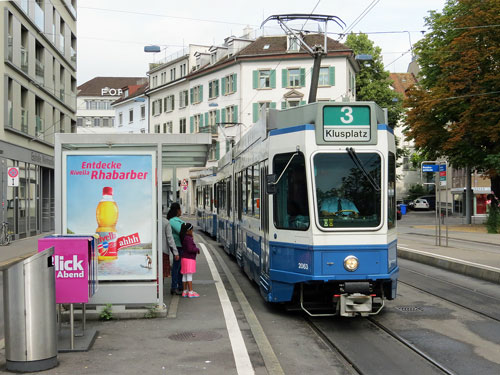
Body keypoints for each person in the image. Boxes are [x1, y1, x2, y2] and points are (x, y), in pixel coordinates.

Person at [167, 202, 185, 295]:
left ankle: (180, 285)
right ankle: (174, 287)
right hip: (177, 246)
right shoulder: (173, 221)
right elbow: (181, 230)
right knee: (176, 267)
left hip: (180, 246)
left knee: (179, 266)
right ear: (177, 210)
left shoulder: (175, 220)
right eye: (180, 209)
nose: (181, 211)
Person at [179, 223, 200, 298]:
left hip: (184, 259)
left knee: (184, 275)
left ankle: (185, 291)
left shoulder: (184, 238)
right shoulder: (189, 239)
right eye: (192, 230)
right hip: (189, 259)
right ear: (188, 231)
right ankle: (191, 292)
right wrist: (197, 249)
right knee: (189, 276)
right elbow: (190, 249)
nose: (192, 232)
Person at [162, 205, 178, 280]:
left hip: (151, 251)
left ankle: (156, 289)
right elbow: (170, 238)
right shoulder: (165, 222)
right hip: (163, 251)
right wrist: (175, 253)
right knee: (162, 273)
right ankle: (159, 289)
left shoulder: (150, 221)